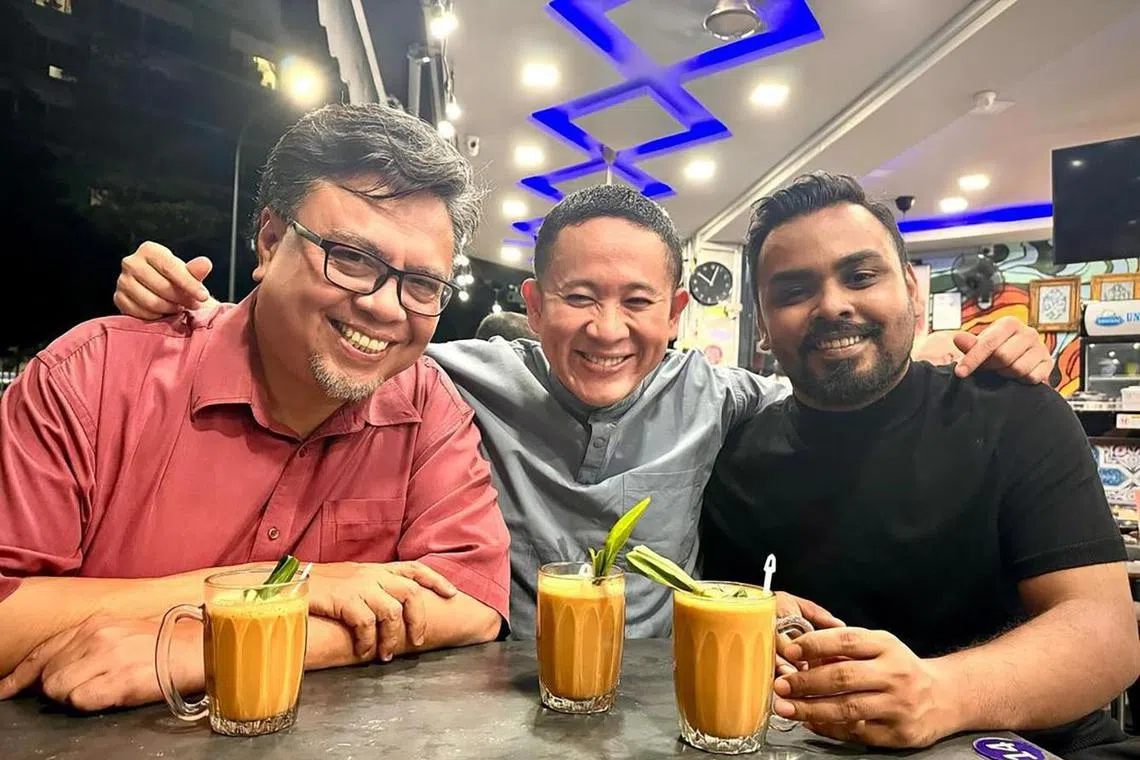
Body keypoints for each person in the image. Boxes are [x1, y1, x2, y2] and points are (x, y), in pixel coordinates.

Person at [111, 183, 1055, 639]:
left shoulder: (721, 396)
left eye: (639, 302)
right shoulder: (452, 376)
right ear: (531, 305)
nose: (609, 330)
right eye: (577, 298)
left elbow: (836, 376)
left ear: (678, 313)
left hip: (664, 697)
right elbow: (343, 339)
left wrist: (974, 344)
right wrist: (202, 311)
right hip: (484, 682)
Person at [0, 104, 510, 712]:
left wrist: (219, 644)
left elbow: (474, 602)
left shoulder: (427, 406)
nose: (385, 307)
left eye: (421, 284)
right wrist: (298, 585)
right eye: (351, 259)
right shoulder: (95, 376)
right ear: (270, 241)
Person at [701, 172, 1140, 756]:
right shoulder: (735, 459)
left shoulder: (1013, 411)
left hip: (1032, 743)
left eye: (861, 276)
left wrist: (945, 691)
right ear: (761, 322)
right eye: (793, 291)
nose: (833, 305)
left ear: (911, 288)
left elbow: (1106, 634)